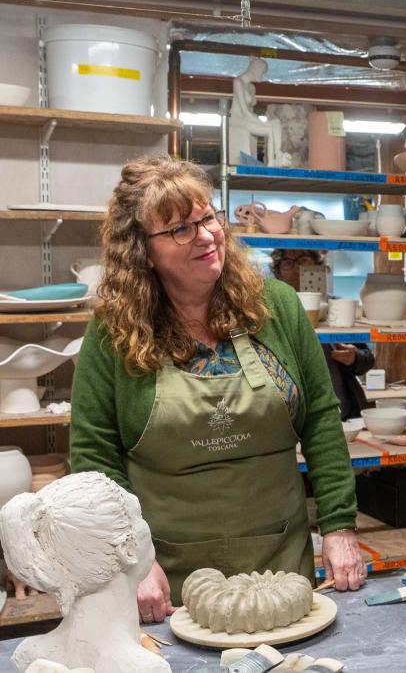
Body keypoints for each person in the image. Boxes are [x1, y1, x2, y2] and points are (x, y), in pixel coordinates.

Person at [69, 155, 365, 625]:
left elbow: (322, 423)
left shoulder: (277, 308)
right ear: (143, 250)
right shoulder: (113, 332)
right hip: (166, 577)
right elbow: (94, 459)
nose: (207, 236)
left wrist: (339, 526)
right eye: (181, 230)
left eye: (208, 217)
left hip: (280, 565)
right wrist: (132, 562)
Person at [0, 472, 168, 672]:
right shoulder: (147, 669)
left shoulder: (28, 653)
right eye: (138, 515)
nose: (145, 524)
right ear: (127, 548)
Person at [269, 248, 375, 420]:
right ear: (278, 272)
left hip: (342, 415)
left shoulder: (339, 307)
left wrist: (354, 357)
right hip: (290, 417)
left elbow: (368, 359)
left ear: (318, 266)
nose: (297, 269)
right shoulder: (269, 309)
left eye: (303, 261)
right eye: (288, 263)